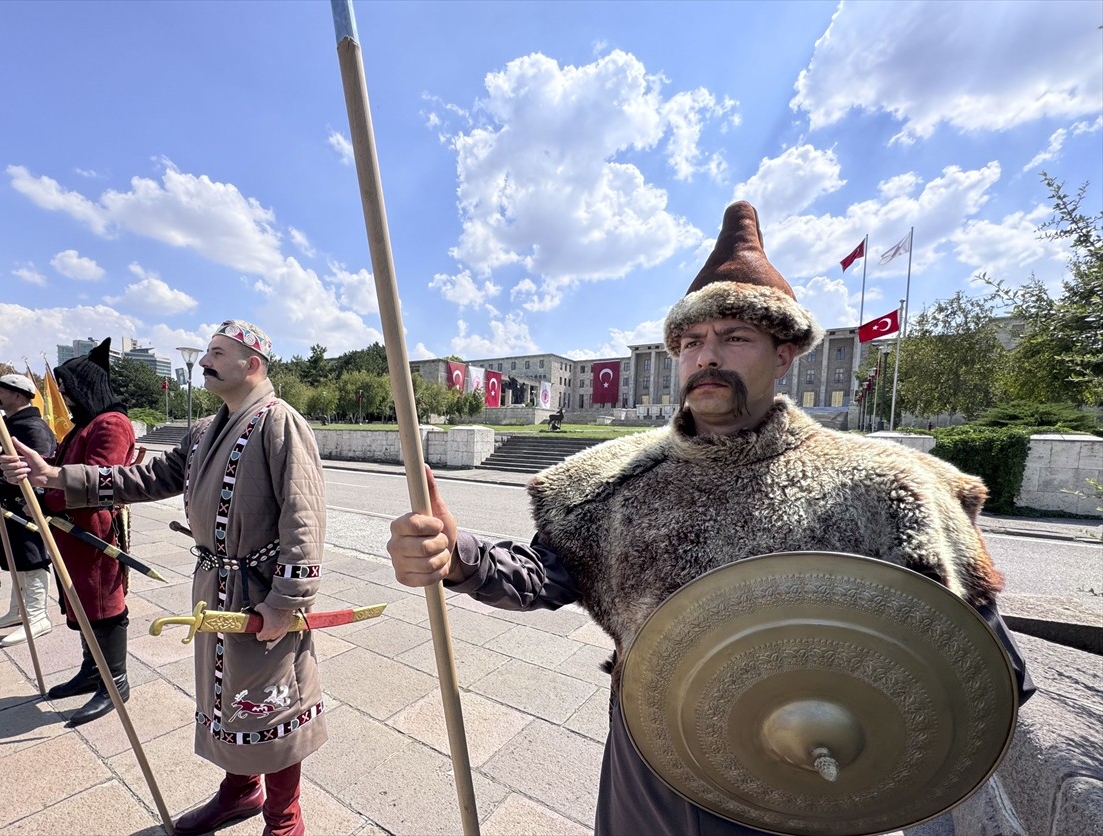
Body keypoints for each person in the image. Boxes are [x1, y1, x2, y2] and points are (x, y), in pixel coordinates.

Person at [386, 201, 1034, 835]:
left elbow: (983, 678)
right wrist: (458, 553)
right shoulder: (615, 482)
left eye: (734, 337)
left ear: (784, 354)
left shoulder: (887, 489)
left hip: (798, 795)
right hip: (645, 790)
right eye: (692, 341)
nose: (707, 355)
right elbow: (542, 573)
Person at [0, 320, 324, 836]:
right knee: (223, 697)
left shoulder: (279, 423)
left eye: (218, 352)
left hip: (260, 593)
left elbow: (303, 519)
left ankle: (285, 819)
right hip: (213, 587)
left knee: (270, 703)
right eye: (206, 351)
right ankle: (240, 793)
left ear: (253, 364)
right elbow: (146, 478)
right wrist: (59, 476)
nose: (204, 361)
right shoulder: (203, 430)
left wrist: (286, 601)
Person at [15, 339, 137, 726]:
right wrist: (26, 465)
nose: (64, 398)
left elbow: (101, 480)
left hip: (94, 533)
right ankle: (92, 671)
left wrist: (46, 493)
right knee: (81, 603)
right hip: (71, 532)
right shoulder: (87, 424)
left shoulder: (111, 424)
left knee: (103, 605)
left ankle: (114, 682)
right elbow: (60, 463)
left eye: (67, 390)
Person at [0, 373, 59, 645]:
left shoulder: (33, 427)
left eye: (0, 390)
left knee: (31, 558)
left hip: (25, 505)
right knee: (17, 558)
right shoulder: (10, 424)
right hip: (6, 504)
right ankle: (19, 611)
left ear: (18, 395)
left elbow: (32, 472)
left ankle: (37, 616)